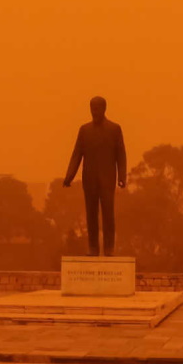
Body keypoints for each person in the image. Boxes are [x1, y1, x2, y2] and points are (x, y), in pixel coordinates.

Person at [63, 96, 127, 256]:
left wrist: (122, 176)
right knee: (91, 214)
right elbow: (77, 154)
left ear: (104, 109)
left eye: (97, 108)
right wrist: (69, 176)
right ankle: (92, 247)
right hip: (89, 178)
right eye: (92, 108)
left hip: (107, 178)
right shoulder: (84, 130)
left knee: (108, 213)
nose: (94, 112)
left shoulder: (114, 129)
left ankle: (109, 248)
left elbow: (121, 154)